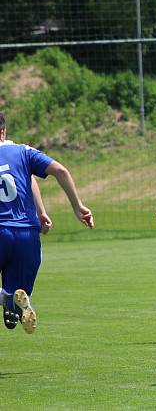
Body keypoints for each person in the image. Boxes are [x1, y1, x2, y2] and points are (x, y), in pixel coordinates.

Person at [0, 112, 94, 333]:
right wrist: (75, 206)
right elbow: (59, 170)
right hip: (27, 236)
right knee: (16, 297)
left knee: (8, 296)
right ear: (3, 130)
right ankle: (12, 300)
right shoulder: (23, 152)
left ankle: (6, 298)